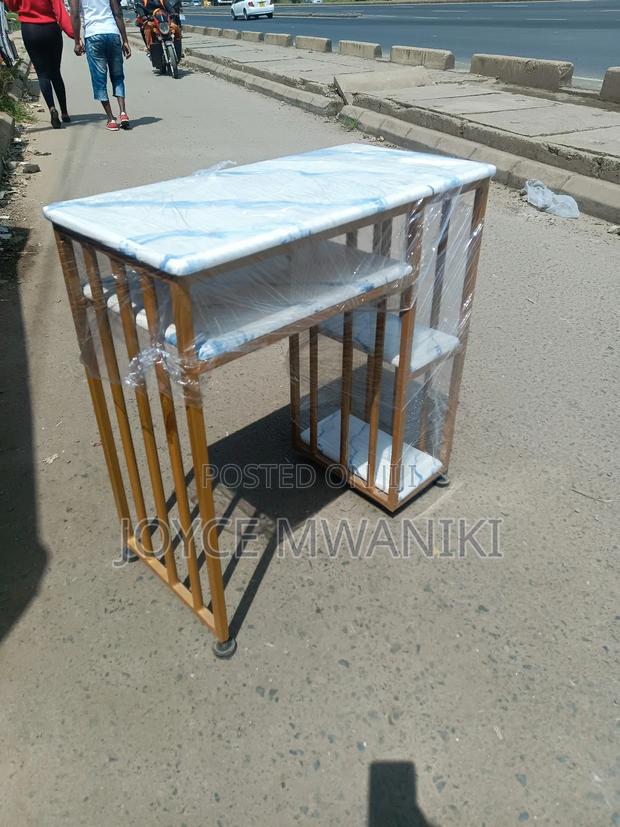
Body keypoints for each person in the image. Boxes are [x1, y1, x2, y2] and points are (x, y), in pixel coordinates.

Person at [4, 0, 73, 128]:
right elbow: (60, 10)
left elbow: (12, 6)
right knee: (55, 73)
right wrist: (73, 34)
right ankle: (64, 113)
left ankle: (52, 109)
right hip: (51, 29)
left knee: (42, 74)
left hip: (30, 30)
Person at [70, 0, 131, 131]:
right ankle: (123, 113)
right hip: (112, 33)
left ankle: (111, 119)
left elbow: (74, 15)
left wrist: (76, 41)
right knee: (117, 75)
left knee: (99, 79)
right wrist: (125, 40)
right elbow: (118, 13)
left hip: (93, 36)